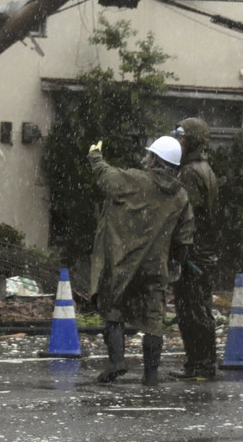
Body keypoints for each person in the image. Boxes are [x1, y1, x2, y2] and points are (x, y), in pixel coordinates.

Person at [88, 136, 194, 385]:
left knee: (114, 310)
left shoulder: (136, 180)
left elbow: (107, 178)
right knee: (154, 319)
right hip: (156, 266)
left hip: (123, 261)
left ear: (155, 159)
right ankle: (151, 373)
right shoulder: (180, 195)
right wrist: (178, 260)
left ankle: (116, 362)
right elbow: (185, 235)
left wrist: (95, 156)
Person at [168, 118, 221, 381]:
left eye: (182, 137)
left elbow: (186, 213)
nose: (177, 142)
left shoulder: (189, 172)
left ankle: (200, 364)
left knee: (191, 308)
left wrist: (181, 249)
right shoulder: (204, 169)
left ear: (193, 142)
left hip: (193, 251)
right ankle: (202, 362)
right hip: (202, 249)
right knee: (199, 306)